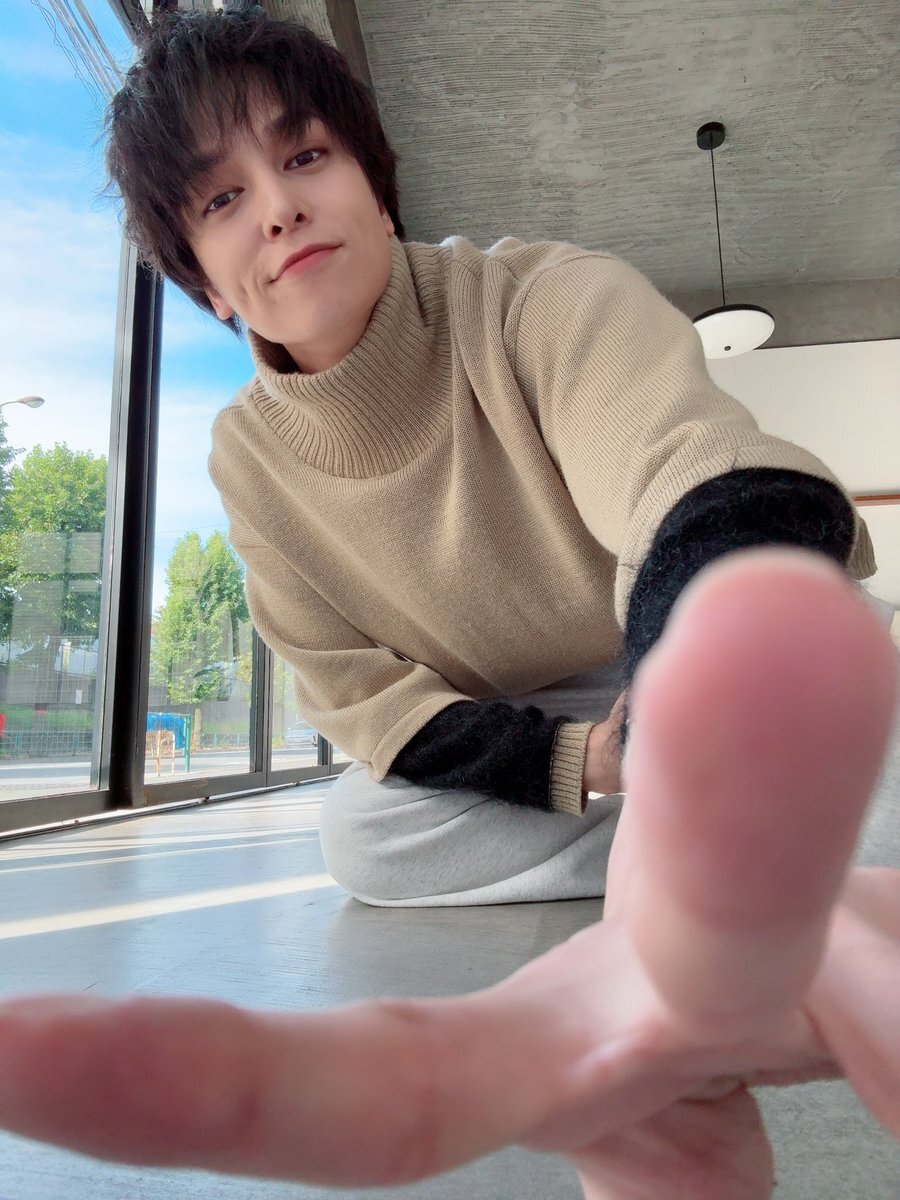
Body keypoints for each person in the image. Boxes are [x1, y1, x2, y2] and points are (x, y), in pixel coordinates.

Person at [0, 7, 896, 1196]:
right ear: (205, 284)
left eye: (306, 154)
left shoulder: (539, 298)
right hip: (554, 736)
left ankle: (696, 869)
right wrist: (590, 761)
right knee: (363, 831)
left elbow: (700, 483)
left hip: (682, 657)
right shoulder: (247, 460)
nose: (279, 207)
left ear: (379, 188)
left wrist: (682, 727)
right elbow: (365, 702)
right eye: (221, 199)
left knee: (840, 683)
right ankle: (742, 865)